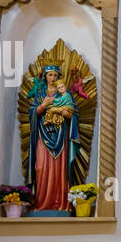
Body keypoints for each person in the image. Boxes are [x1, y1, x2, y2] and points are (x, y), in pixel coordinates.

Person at [28, 65, 80, 211]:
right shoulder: (39, 94)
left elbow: (72, 112)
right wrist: (43, 105)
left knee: (60, 169)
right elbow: (32, 114)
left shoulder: (63, 93)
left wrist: (67, 114)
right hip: (42, 134)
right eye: (50, 75)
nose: (53, 78)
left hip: (60, 136)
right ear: (45, 76)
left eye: (55, 76)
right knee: (41, 167)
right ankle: (41, 203)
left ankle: (61, 203)